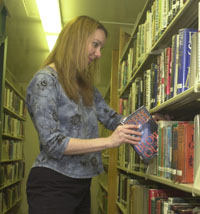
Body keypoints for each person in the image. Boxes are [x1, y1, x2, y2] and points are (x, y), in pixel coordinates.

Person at [25, 16, 143, 214]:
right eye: (95, 45)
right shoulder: (45, 81)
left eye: (101, 48)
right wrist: (108, 142)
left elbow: (113, 119)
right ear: (76, 41)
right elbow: (53, 143)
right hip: (52, 184)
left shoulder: (85, 87)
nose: (98, 54)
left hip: (81, 183)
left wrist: (146, 123)